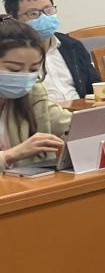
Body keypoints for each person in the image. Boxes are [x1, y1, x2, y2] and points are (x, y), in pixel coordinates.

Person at [3, 0, 99, 104]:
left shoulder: (72, 45)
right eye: (33, 14)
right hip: (39, 113)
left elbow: (95, 85)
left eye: (48, 10)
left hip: (81, 109)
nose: (44, 17)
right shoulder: (9, 54)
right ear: (14, 19)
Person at [0, 19, 70, 172]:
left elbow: (70, 125)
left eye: (33, 70)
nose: (25, 77)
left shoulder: (33, 93)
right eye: (14, 69)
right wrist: (10, 155)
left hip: (27, 183)